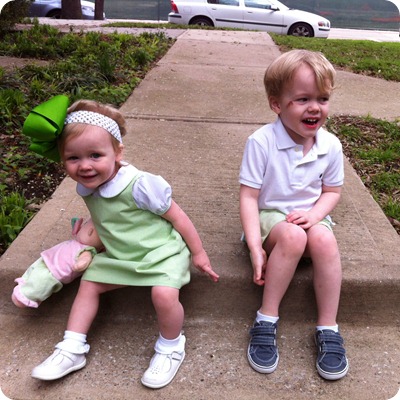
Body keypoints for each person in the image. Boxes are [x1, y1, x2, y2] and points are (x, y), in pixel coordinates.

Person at [21, 95, 219, 389]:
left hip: (161, 254)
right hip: (120, 256)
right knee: (89, 285)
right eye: (73, 158)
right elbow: (108, 218)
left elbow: (178, 217)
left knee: (164, 295)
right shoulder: (88, 186)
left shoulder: (139, 185)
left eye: (95, 155)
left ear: (117, 152)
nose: (84, 166)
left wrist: (198, 253)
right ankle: (72, 347)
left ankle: (171, 346)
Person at [239, 49, 349, 381]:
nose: (315, 107)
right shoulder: (261, 142)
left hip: (310, 216)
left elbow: (331, 192)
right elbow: (249, 197)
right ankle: (266, 318)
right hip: (272, 219)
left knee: (325, 241)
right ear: (277, 104)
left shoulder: (330, 145)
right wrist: (255, 247)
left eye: (322, 98)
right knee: (292, 236)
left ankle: (328, 327)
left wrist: (315, 216)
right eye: (302, 99)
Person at [12, 217, 103, 308]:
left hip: (55, 272)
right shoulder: (76, 241)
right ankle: (24, 283)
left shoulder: (88, 250)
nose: (89, 230)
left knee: (42, 282)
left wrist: (80, 265)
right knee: (33, 271)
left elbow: (85, 259)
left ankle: (25, 298)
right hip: (47, 259)